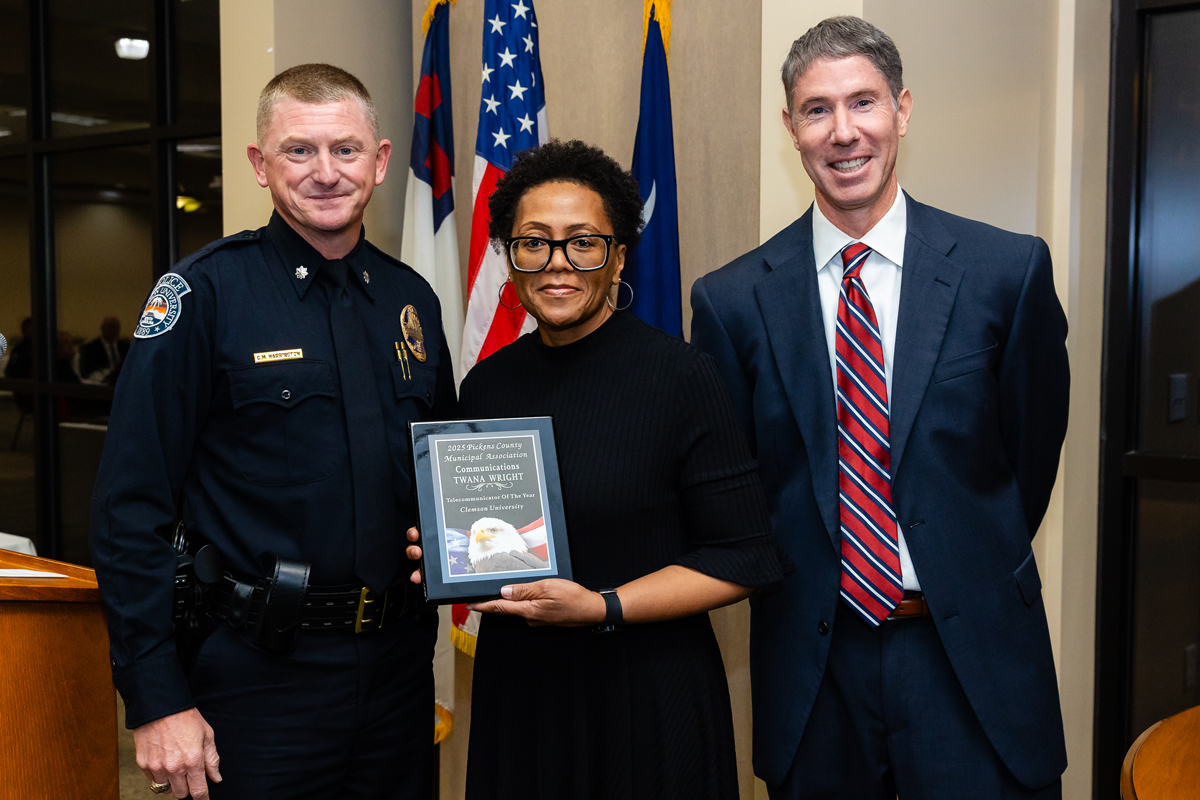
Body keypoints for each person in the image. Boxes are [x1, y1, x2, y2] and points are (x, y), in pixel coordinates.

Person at [690, 17, 1070, 800]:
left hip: (970, 663)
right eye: (817, 109)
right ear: (790, 128)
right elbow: (741, 492)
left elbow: (1028, 460)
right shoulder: (730, 302)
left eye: (862, 103)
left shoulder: (1006, 271)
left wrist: (957, 563)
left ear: (902, 109)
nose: (843, 132)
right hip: (816, 669)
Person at [89, 63, 456, 800]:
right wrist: (156, 694)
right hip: (258, 678)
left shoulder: (410, 300)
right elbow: (130, 510)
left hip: (396, 675)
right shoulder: (202, 296)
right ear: (260, 164)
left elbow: (439, 471)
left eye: (346, 150)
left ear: (381, 161)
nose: (326, 173)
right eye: (299, 151)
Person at [405, 139, 789, 799]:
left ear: (617, 257)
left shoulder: (680, 375)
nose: (558, 265)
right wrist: (451, 555)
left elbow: (745, 557)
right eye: (534, 243)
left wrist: (603, 607)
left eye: (582, 242)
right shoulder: (487, 387)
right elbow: (496, 541)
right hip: (523, 696)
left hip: (648, 696)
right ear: (509, 256)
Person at [79, 316, 130, 383]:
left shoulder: (125, 347)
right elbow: (88, 371)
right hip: (101, 382)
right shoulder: (91, 348)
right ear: (102, 328)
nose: (114, 330)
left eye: (117, 327)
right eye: (111, 327)